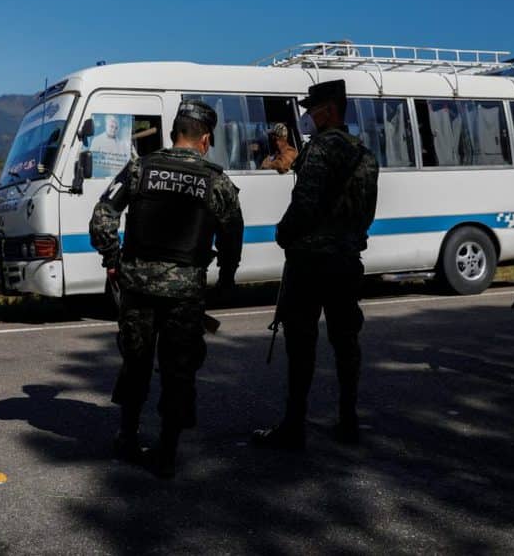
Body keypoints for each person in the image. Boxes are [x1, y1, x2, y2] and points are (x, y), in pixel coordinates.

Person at [89, 100, 243, 478]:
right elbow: (232, 233)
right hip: (185, 292)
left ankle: (127, 436)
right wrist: (226, 278)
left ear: (175, 133)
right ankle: (167, 453)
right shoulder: (216, 180)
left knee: (136, 361)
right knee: (178, 369)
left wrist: (112, 258)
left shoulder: (140, 167)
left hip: (137, 287)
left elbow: (102, 214)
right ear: (205, 139)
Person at [251, 79, 379, 450]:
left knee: (301, 343)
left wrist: (283, 232)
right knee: (345, 340)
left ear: (331, 110)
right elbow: (365, 213)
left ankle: (293, 426)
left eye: (313, 109)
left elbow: (304, 204)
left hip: (309, 264)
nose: (308, 116)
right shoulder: (365, 155)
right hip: (345, 261)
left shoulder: (320, 149)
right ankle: (348, 420)